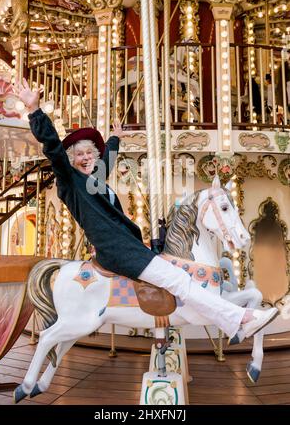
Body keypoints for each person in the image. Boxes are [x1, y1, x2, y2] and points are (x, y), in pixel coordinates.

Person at [16, 79, 278, 342]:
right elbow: (53, 149)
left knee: (177, 279)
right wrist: (36, 110)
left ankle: (236, 322)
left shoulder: (96, 180)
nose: (85, 158)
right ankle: (241, 319)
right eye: (79, 155)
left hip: (128, 246)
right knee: (179, 280)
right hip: (117, 251)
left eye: (90, 153)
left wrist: (115, 139)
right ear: (70, 160)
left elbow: (106, 160)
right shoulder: (70, 182)